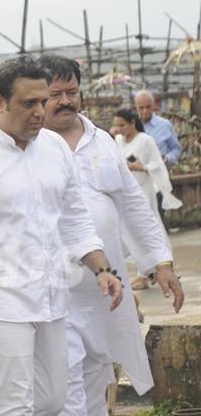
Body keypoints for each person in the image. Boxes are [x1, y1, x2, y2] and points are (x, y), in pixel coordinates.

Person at [0, 56, 123, 415]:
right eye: (28, 103)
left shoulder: (52, 148)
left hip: (50, 295)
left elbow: (75, 220)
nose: (39, 111)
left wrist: (102, 269)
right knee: (13, 403)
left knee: (51, 400)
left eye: (42, 101)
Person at [39, 54, 184, 415]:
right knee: (63, 380)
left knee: (95, 375)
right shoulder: (28, 144)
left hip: (105, 292)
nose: (65, 101)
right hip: (53, 290)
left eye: (71, 91)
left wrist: (160, 262)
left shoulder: (101, 140)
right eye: (55, 93)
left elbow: (133, 206)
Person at [113, 108, 182, 290]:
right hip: (125, 190)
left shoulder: (146, 140)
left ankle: (150, 270)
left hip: (143, 189)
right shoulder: (117, 140)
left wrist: (141, 167)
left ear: (132, 123)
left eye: (122, 125)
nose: (118, 129)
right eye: (116, 125)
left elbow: (157, 163)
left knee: (149, 227)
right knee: (127, 230)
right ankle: (149, 269)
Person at [134, 90, 181, 167]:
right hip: (139, 176)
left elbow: (176, 149)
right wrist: (134, 163)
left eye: (148, 106)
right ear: (136, 108)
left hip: (160, 173)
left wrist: (167, 158)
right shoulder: (133, 126)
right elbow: (127, 150)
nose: (145, 111)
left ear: (153, 105)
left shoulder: (164, 125)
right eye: (141, 108)